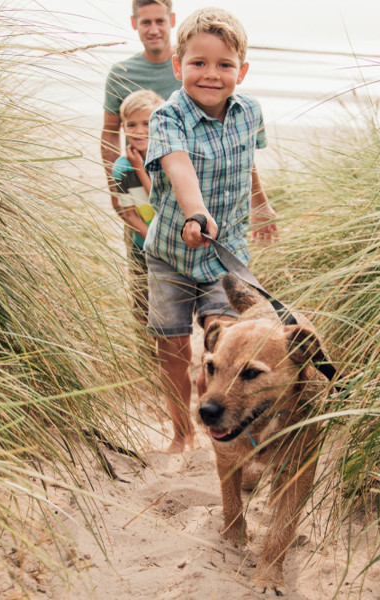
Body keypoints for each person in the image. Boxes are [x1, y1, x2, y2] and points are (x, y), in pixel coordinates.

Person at [143, 7, 279, 453]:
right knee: (174, 347)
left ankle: (224, 417)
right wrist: (195, 214)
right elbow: (179, 167)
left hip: (227, 254)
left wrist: (259, 203)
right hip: (171, 254)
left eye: (224, 65)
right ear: (179, 66)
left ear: (241, 70)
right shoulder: (168, 117)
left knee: (225, 342)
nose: (211, 74)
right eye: (198, 63)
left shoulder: (250, 112)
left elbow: (246, 162)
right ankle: (181, 433)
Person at [101, 0, 181, 217]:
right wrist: (115, 188)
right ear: (134, 23)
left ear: (172, 20)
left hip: (182, 183)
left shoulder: (187, 68)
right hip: (135, 180)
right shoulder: (121, 73)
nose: (153, 30)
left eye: (160, 21)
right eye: (146, 22)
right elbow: (109, 132)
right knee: (139, 245)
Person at [112, 89, 164, 325]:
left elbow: (160, 200)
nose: (140, 131)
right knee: (142, 304)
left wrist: (140, 167)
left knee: (169, 306)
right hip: (142, 247)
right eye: (131, 124)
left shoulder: (168, 159)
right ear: (123, 127)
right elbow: (129, 213)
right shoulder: (122, 167)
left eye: (147, 123)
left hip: (172, 246)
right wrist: (149, 239)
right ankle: (146, 358)